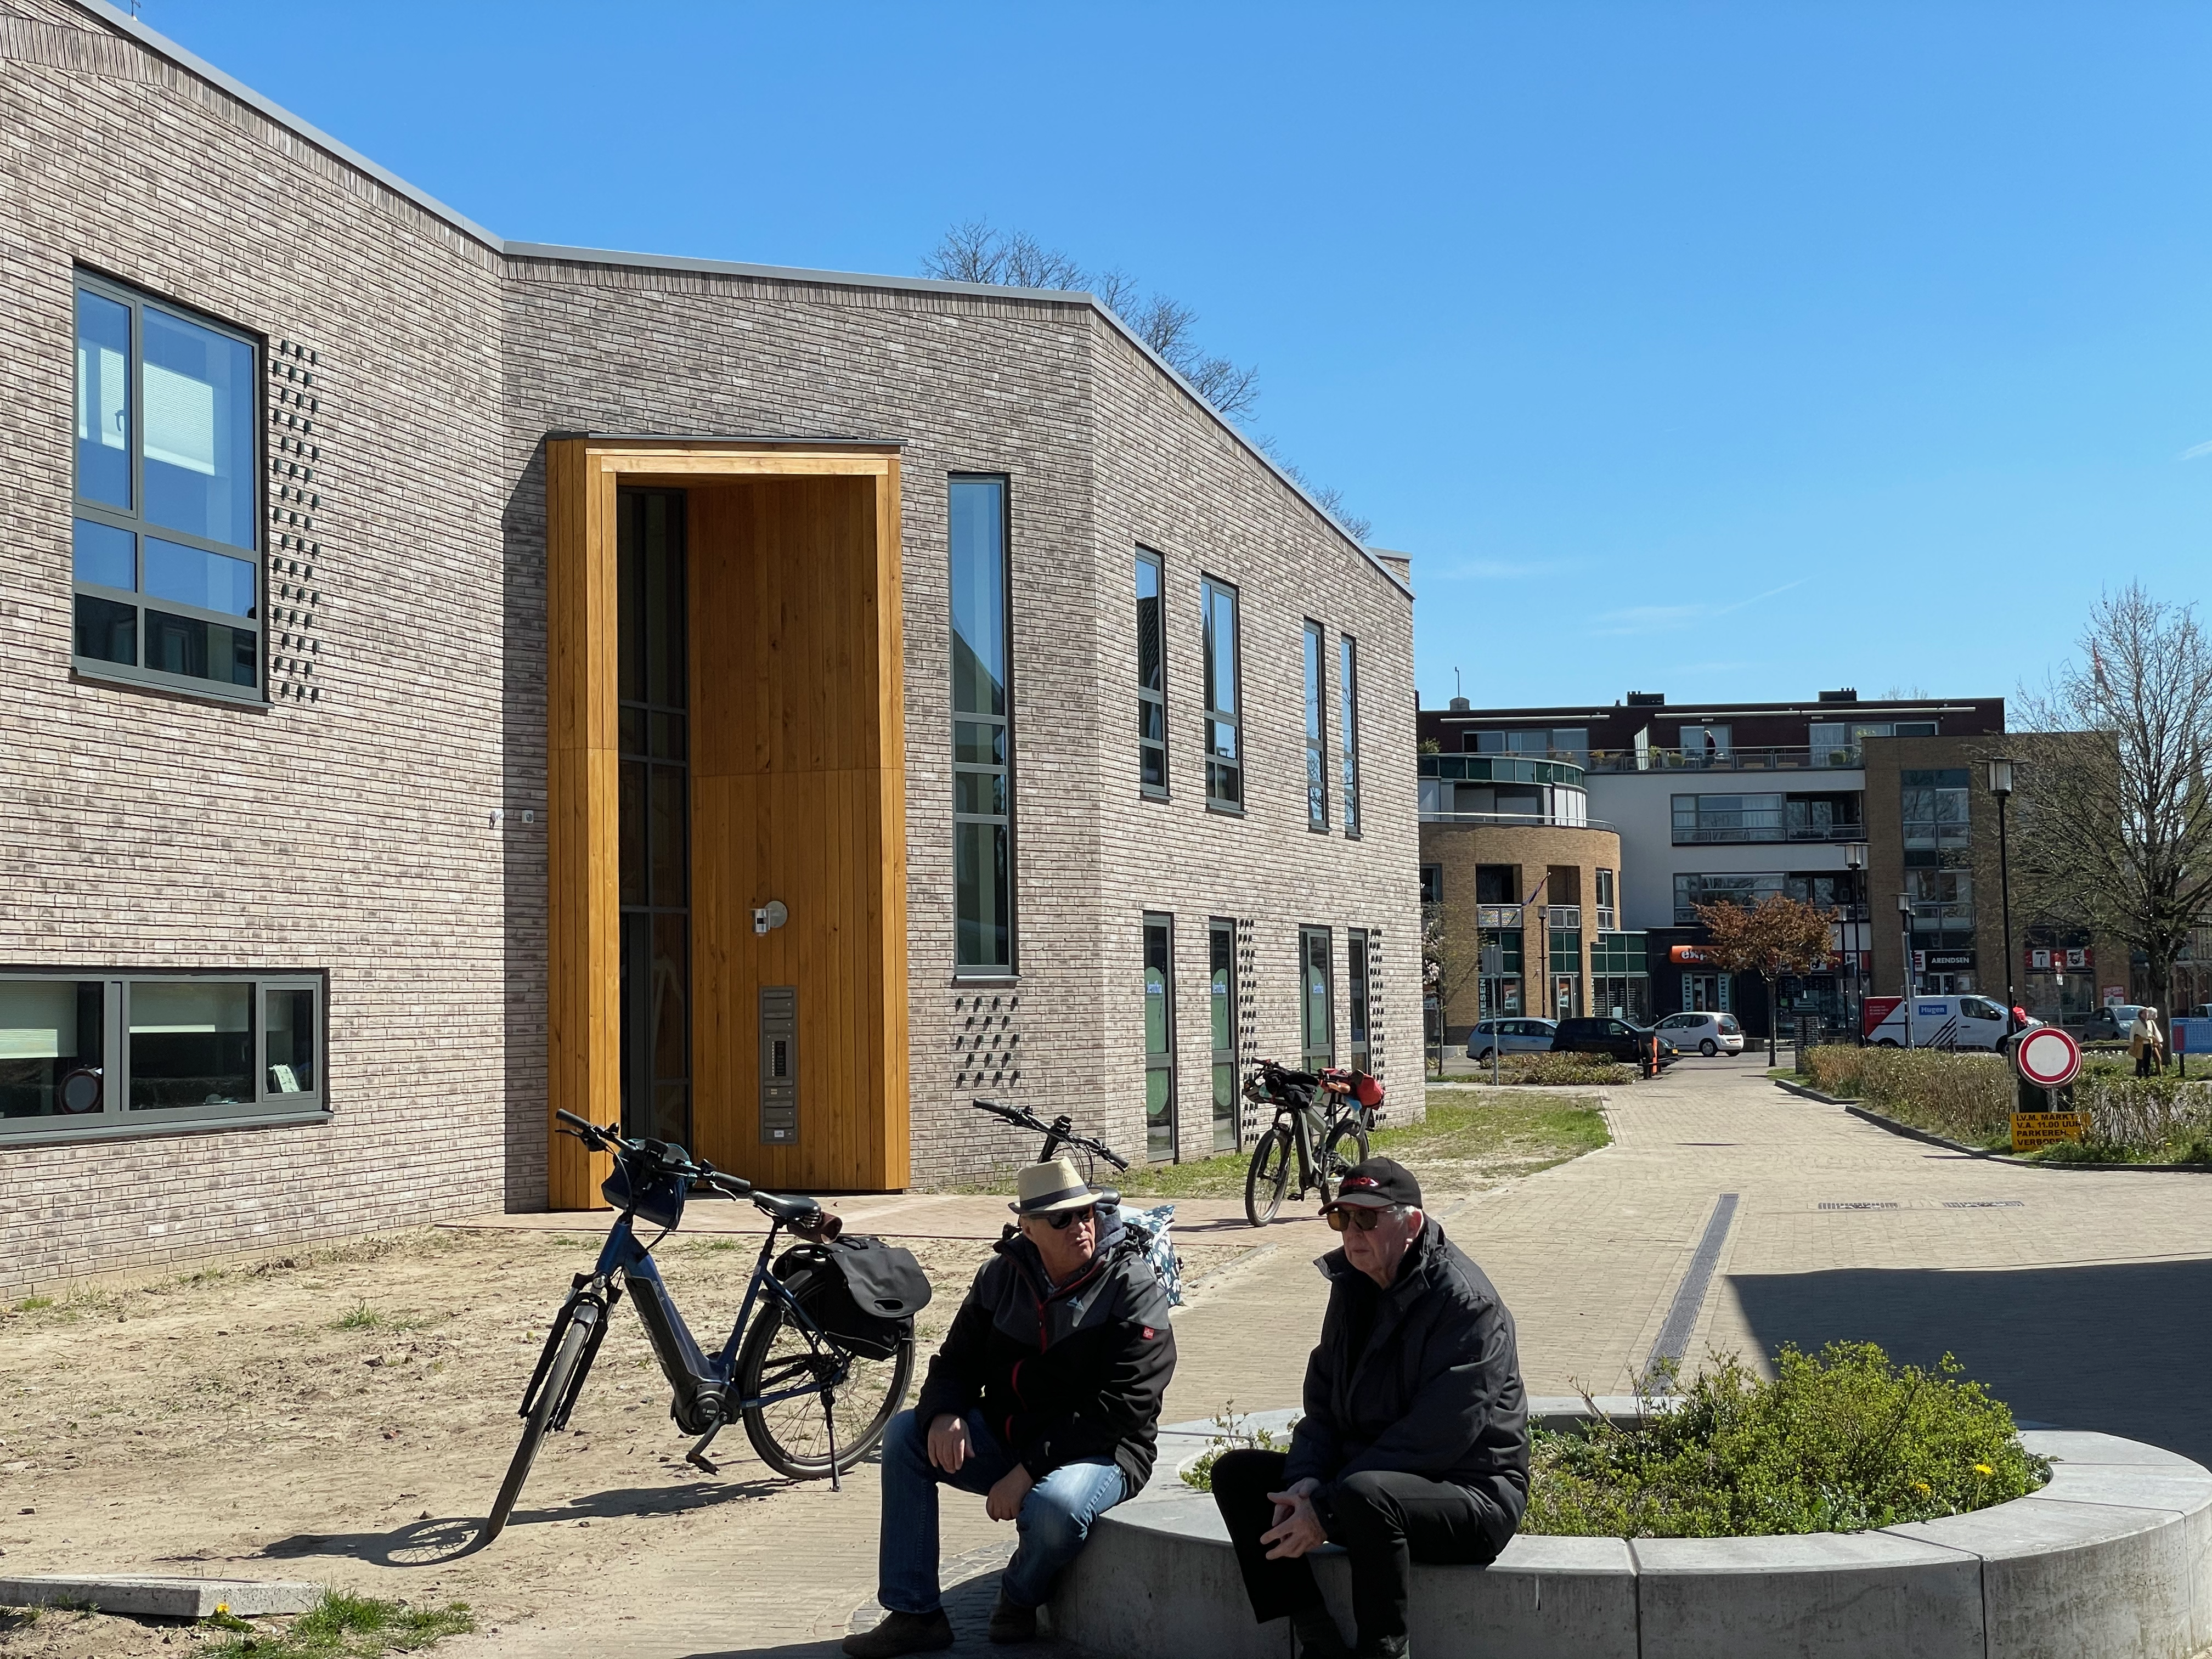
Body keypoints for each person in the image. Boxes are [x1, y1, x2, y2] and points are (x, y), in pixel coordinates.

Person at [844, 1158, 1175, 1657]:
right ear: (1028, 1227)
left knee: (1055, 1509)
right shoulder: (1000, 1277)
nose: (1081, 1226)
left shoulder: (1131, 1284)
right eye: (1062, 1219)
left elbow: (1124, 1406)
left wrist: (1026, 1472)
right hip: (1011, 1436)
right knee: (906, 1437)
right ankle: (915, 1615)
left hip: (1106, 1450)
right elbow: (955, 1361)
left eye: (1086, 1212)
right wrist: (945, 1413)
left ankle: (1020, 1595)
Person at [1211, 1159, 1527, 1659]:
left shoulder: (1467, 1306)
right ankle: (1317, 1639)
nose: (1352, 1234)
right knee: (1239, 1476)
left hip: (1471, 1492)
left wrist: (1328, 1505)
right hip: (1368, 1483)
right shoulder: (1353, 1285)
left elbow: (1438, 1436)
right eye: (1342, 1219)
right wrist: (1308, 1480)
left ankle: (1384, 1652)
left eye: (1366, 1219)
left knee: (1363, 1495)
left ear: (1412, 1224)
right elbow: (1323, 1406)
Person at [2131, 1006, 2166, 1077]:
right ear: (2141, 1014)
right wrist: (2132, 1043)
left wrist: (2158, 1042)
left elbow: (2152, 1034)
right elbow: (2132, 1033)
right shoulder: (2136, 1022)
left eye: (2147, 1013)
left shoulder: (2150, 1022)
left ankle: (2147, 1073)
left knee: (2148, 1059)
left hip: (2148, 1043)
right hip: (2140, 1043)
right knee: (2140, 1058)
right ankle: (2139, 1074)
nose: (2146, 1015)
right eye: (2145, 1013)